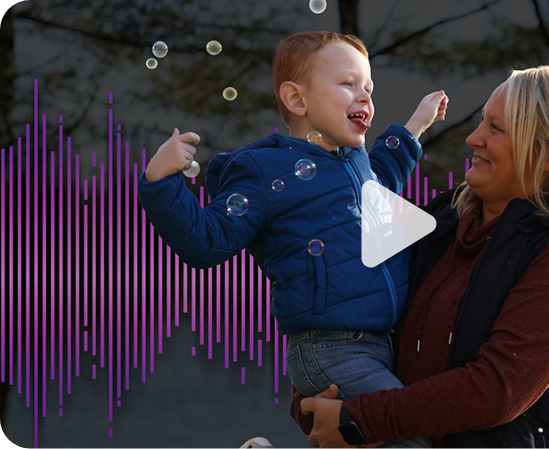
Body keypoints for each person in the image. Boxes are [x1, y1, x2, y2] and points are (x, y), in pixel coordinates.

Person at [293, 65, 549, 449]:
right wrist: (317, 397)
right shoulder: (440, 221)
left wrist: (359, 422)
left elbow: (496, 389)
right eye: (481, 123)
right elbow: (354, 311)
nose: (474, 139)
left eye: (497, 129)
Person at [136, 31, 447, 449]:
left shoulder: (353, 162)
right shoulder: (265, 172)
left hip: (380, 341)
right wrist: (161, 182)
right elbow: (206, 240)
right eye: (348, 84)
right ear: (297, 100)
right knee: (408, 440)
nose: (365, 97)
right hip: (331, 349)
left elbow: (382, 179)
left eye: (369, 88)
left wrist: (415, 127)